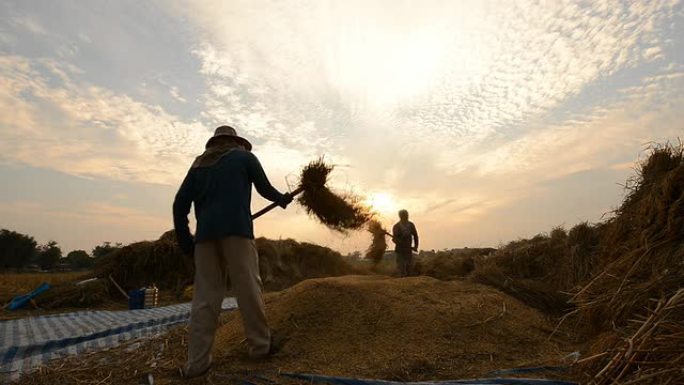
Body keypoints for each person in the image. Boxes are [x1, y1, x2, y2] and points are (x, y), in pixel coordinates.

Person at [173, 125, 293, 378]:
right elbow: (264, 189)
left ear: (214, 144)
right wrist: (282, 199)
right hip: (237, 233)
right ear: (236, 142)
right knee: (248, 289)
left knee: (205, 299)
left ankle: (196, 363)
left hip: (205, 239)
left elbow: (179, 205)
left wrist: (186, 241)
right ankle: (260, 346)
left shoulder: (198, 165)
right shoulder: (244, 158)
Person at [392, 209, 419, 277]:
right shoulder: (396, 226)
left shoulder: (411, 225)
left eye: (406, 215)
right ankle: (402, 280)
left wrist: (416, 246)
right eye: (404, 215)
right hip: (400, 250)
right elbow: (394, 239)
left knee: (409, 266)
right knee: (401, 266)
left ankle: (408, 279)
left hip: (408, 249)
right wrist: (398, 241)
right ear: (400, 216)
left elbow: (415, 236)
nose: (406, 216)